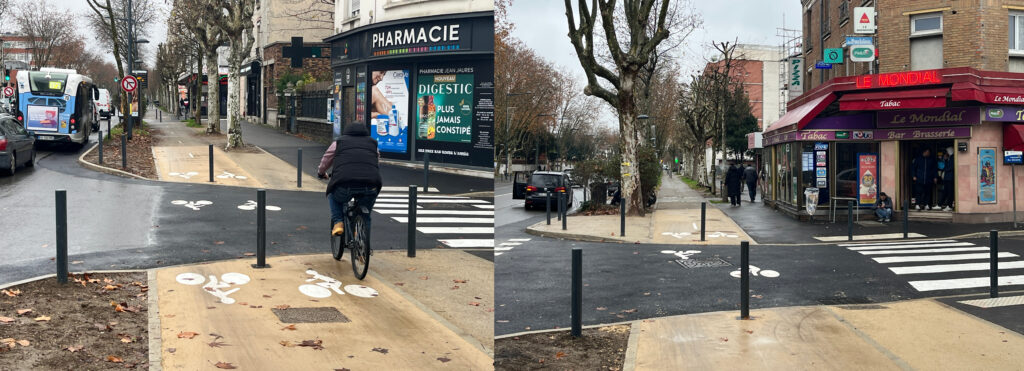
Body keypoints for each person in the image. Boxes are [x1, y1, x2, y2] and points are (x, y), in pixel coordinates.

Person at [318, 122, 383, 236]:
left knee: (333, 195)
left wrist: (321, 173)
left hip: (345, 184)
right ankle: (362, 243)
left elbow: (326, 160)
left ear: (347, 132)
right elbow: (376, 160)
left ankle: (338, 222)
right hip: (370, 185)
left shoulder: (338, 143)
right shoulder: (373, 143)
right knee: (365, 216)